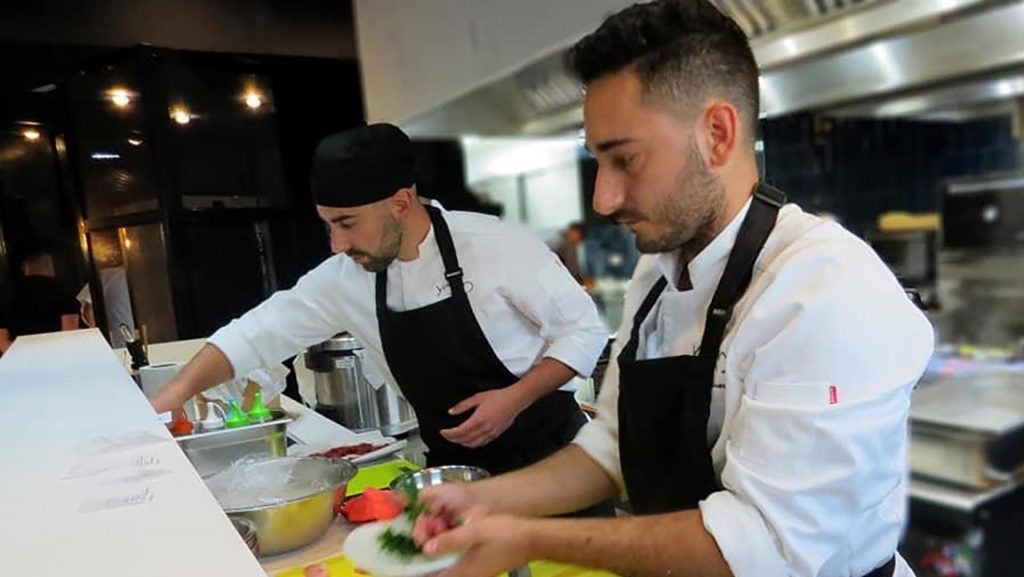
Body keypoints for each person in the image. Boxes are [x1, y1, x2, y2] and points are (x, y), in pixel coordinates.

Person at [412, 2, 934, 577]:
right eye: (597, 163)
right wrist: (488, 500)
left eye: (625, 159)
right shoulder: (658, 273)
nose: (603, 199)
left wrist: (528, 539)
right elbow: (614, 447)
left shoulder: (823, 291)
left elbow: (764, 547)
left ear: (717, 134)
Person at [151, 123, 610, 482]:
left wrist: (513, 400)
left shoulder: (495, 244)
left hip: (555, 459)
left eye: (347, 223)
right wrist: (170, 398)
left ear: (401, 203)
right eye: (328, 225)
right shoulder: (345, 279)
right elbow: (254, 335)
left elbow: (584, 330)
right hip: (456, 473)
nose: (336, 244)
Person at [0, 250, 80, 354]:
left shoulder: (6, 293)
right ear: (50, 265)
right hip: (56, 355)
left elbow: (1, 339)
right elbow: (70, 332)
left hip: (18, 360)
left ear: (24, 267)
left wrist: (20, 356)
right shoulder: (62, 291)